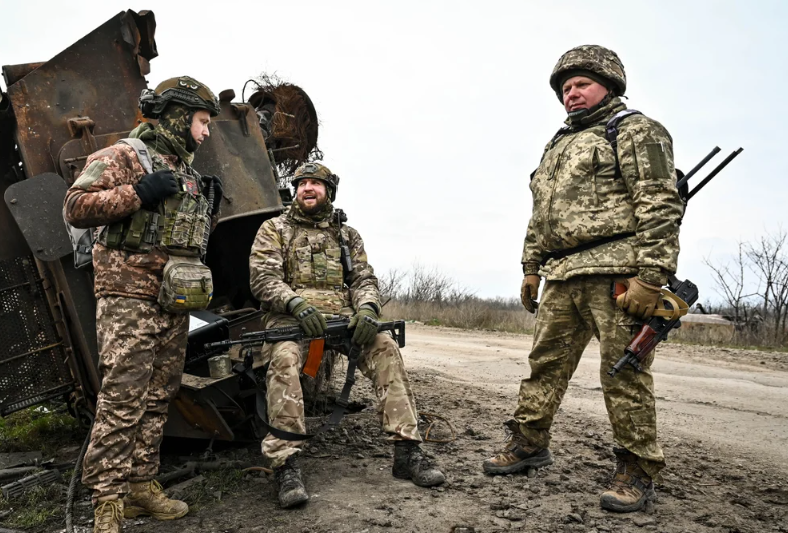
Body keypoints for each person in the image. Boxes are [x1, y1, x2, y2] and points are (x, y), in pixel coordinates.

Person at [482, 45, 684, 513]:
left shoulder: (636, 130)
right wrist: (531, 268)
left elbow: (660, 206)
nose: (571, 94)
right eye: (565, 88)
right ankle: (530, 444)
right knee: (544, 365)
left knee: (624, 374)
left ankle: (637, 468)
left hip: (618, 273)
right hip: (561, 273)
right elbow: (540, 215)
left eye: (581, 85)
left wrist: (651, 277)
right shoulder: (557, 144)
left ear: (609, 85)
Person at [63, 76, 222, 532]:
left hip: (172, 298)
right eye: (201, 121)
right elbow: (75, 205)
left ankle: (140, 487)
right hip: (128, 296)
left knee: (157, 398)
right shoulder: (124, 156)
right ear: (176, 116)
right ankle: (107, 500)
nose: (206, 131)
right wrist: (138, 193)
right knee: (122, 398)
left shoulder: (186, 170)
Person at [248, 162, 445, 508]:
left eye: (316, 183)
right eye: (302, 183)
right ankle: (285, 464)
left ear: (329, 191)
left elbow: (363, 280)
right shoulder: (274, 228)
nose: (308, 188)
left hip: (342, 320)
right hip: (290, 322)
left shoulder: (346, 235)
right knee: (284, 360)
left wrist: (368, 309)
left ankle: (407, 450)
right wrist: (295, 303)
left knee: (385, 347)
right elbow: (263, 279)